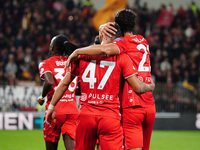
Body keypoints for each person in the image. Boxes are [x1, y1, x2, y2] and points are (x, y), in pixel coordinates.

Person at [45, 24, 155, 150]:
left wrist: (51, 107)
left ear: (101, 35)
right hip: (110, 117)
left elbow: (64, 84)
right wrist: (150, 86)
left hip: (86, 116)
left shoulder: (82, 56)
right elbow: (137, 87)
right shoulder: (122, 57)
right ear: (117, 39)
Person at [37, 34, 79, 150]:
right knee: (71, 147)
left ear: (52, 48)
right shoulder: (73, 62)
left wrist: (42, 97)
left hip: (55, 109)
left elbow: (49, 82)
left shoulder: (46, 63)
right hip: (72, 109)